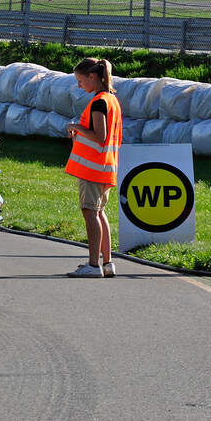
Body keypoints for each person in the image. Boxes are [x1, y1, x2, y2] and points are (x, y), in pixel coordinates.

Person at [64, 58, 123, 278]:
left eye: (80, 80)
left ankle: (93, 264)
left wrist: (75, 127)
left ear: (92, 77)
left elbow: (100, 136)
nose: (79, 86)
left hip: (93, 168)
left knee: (90, 213)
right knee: (99, 212)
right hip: (106, 166)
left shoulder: (99, 102)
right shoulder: (112, 100)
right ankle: (107, 263)